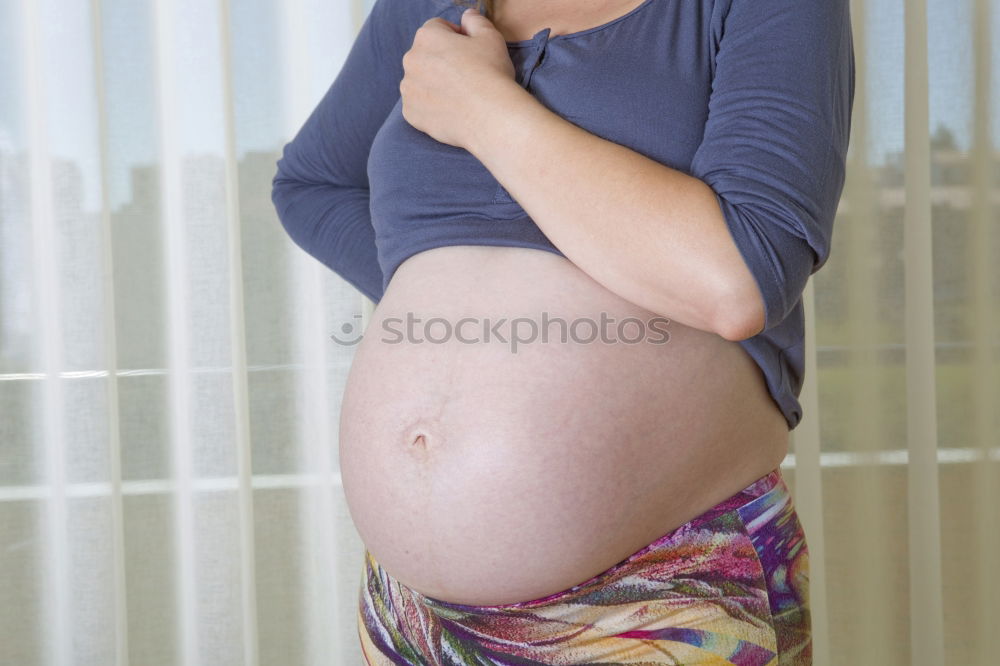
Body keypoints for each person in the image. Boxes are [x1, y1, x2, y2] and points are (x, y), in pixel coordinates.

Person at [272, 0, 854, 662]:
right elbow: (313, 186)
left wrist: (484, 109)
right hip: (410, 612)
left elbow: (742, 279)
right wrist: (475, 313)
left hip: (659, 591)